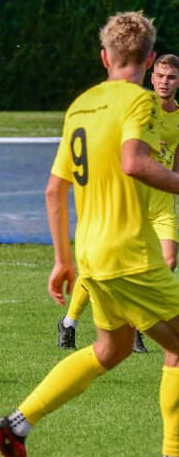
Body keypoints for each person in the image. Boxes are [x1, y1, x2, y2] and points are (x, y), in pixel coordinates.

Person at [0, 11, 179, 457]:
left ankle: (15, 425)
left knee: (111, 350)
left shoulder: (80, 105)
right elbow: (134, 163)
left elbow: (55, 189)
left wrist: (62, 260)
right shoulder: (141, 101)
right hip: (129, 254)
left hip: (92, 254)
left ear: (104, 58)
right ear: (149, 59)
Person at [56, 53, 179, 354]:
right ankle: (69, 322)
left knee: (169, 262)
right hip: (131, 204)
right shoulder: (139, 107)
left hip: (162, 206)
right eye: (160, 76)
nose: (165, 82)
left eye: (171, 77)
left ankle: (135, 326)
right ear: (152, 76)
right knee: (99, 272)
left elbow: (175, 161)